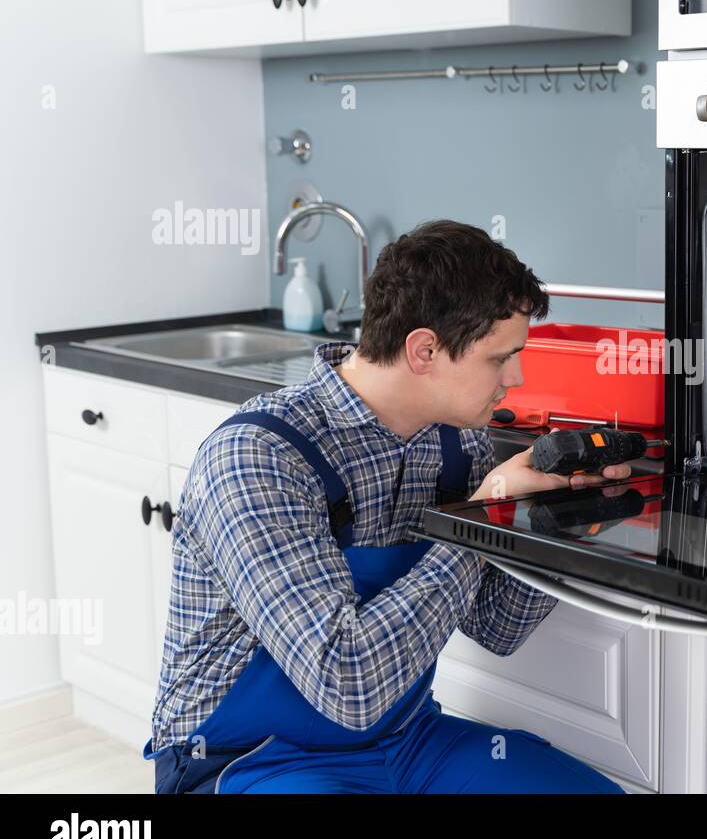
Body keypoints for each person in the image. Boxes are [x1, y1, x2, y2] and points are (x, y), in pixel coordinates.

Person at [141, 219, 629, 793]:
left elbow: (497, 626)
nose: (515, 379)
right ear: (424, 350)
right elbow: (347, 684)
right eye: (500, 359)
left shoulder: (454, 440)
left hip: (405, 738)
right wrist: (478, 522)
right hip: (244, 759)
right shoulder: (259, 457)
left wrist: (560, 518)